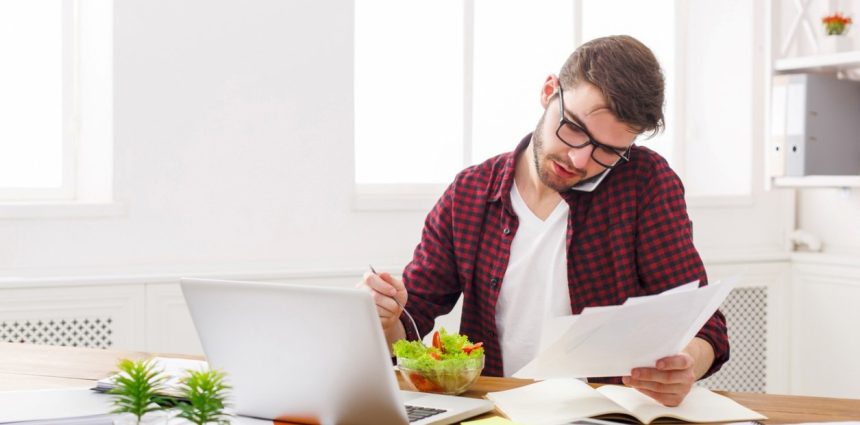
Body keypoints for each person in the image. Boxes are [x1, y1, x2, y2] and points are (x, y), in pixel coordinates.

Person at [358, 35, 728, 407]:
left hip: (606, 414)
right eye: (575, 130)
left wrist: (686, 365)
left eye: (608, 151)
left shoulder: (645, 183)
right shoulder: (470, 193)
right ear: (549, 91)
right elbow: (411, 320)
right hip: (496, 411)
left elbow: (704, 327)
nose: (580, 160)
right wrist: (384, 317)